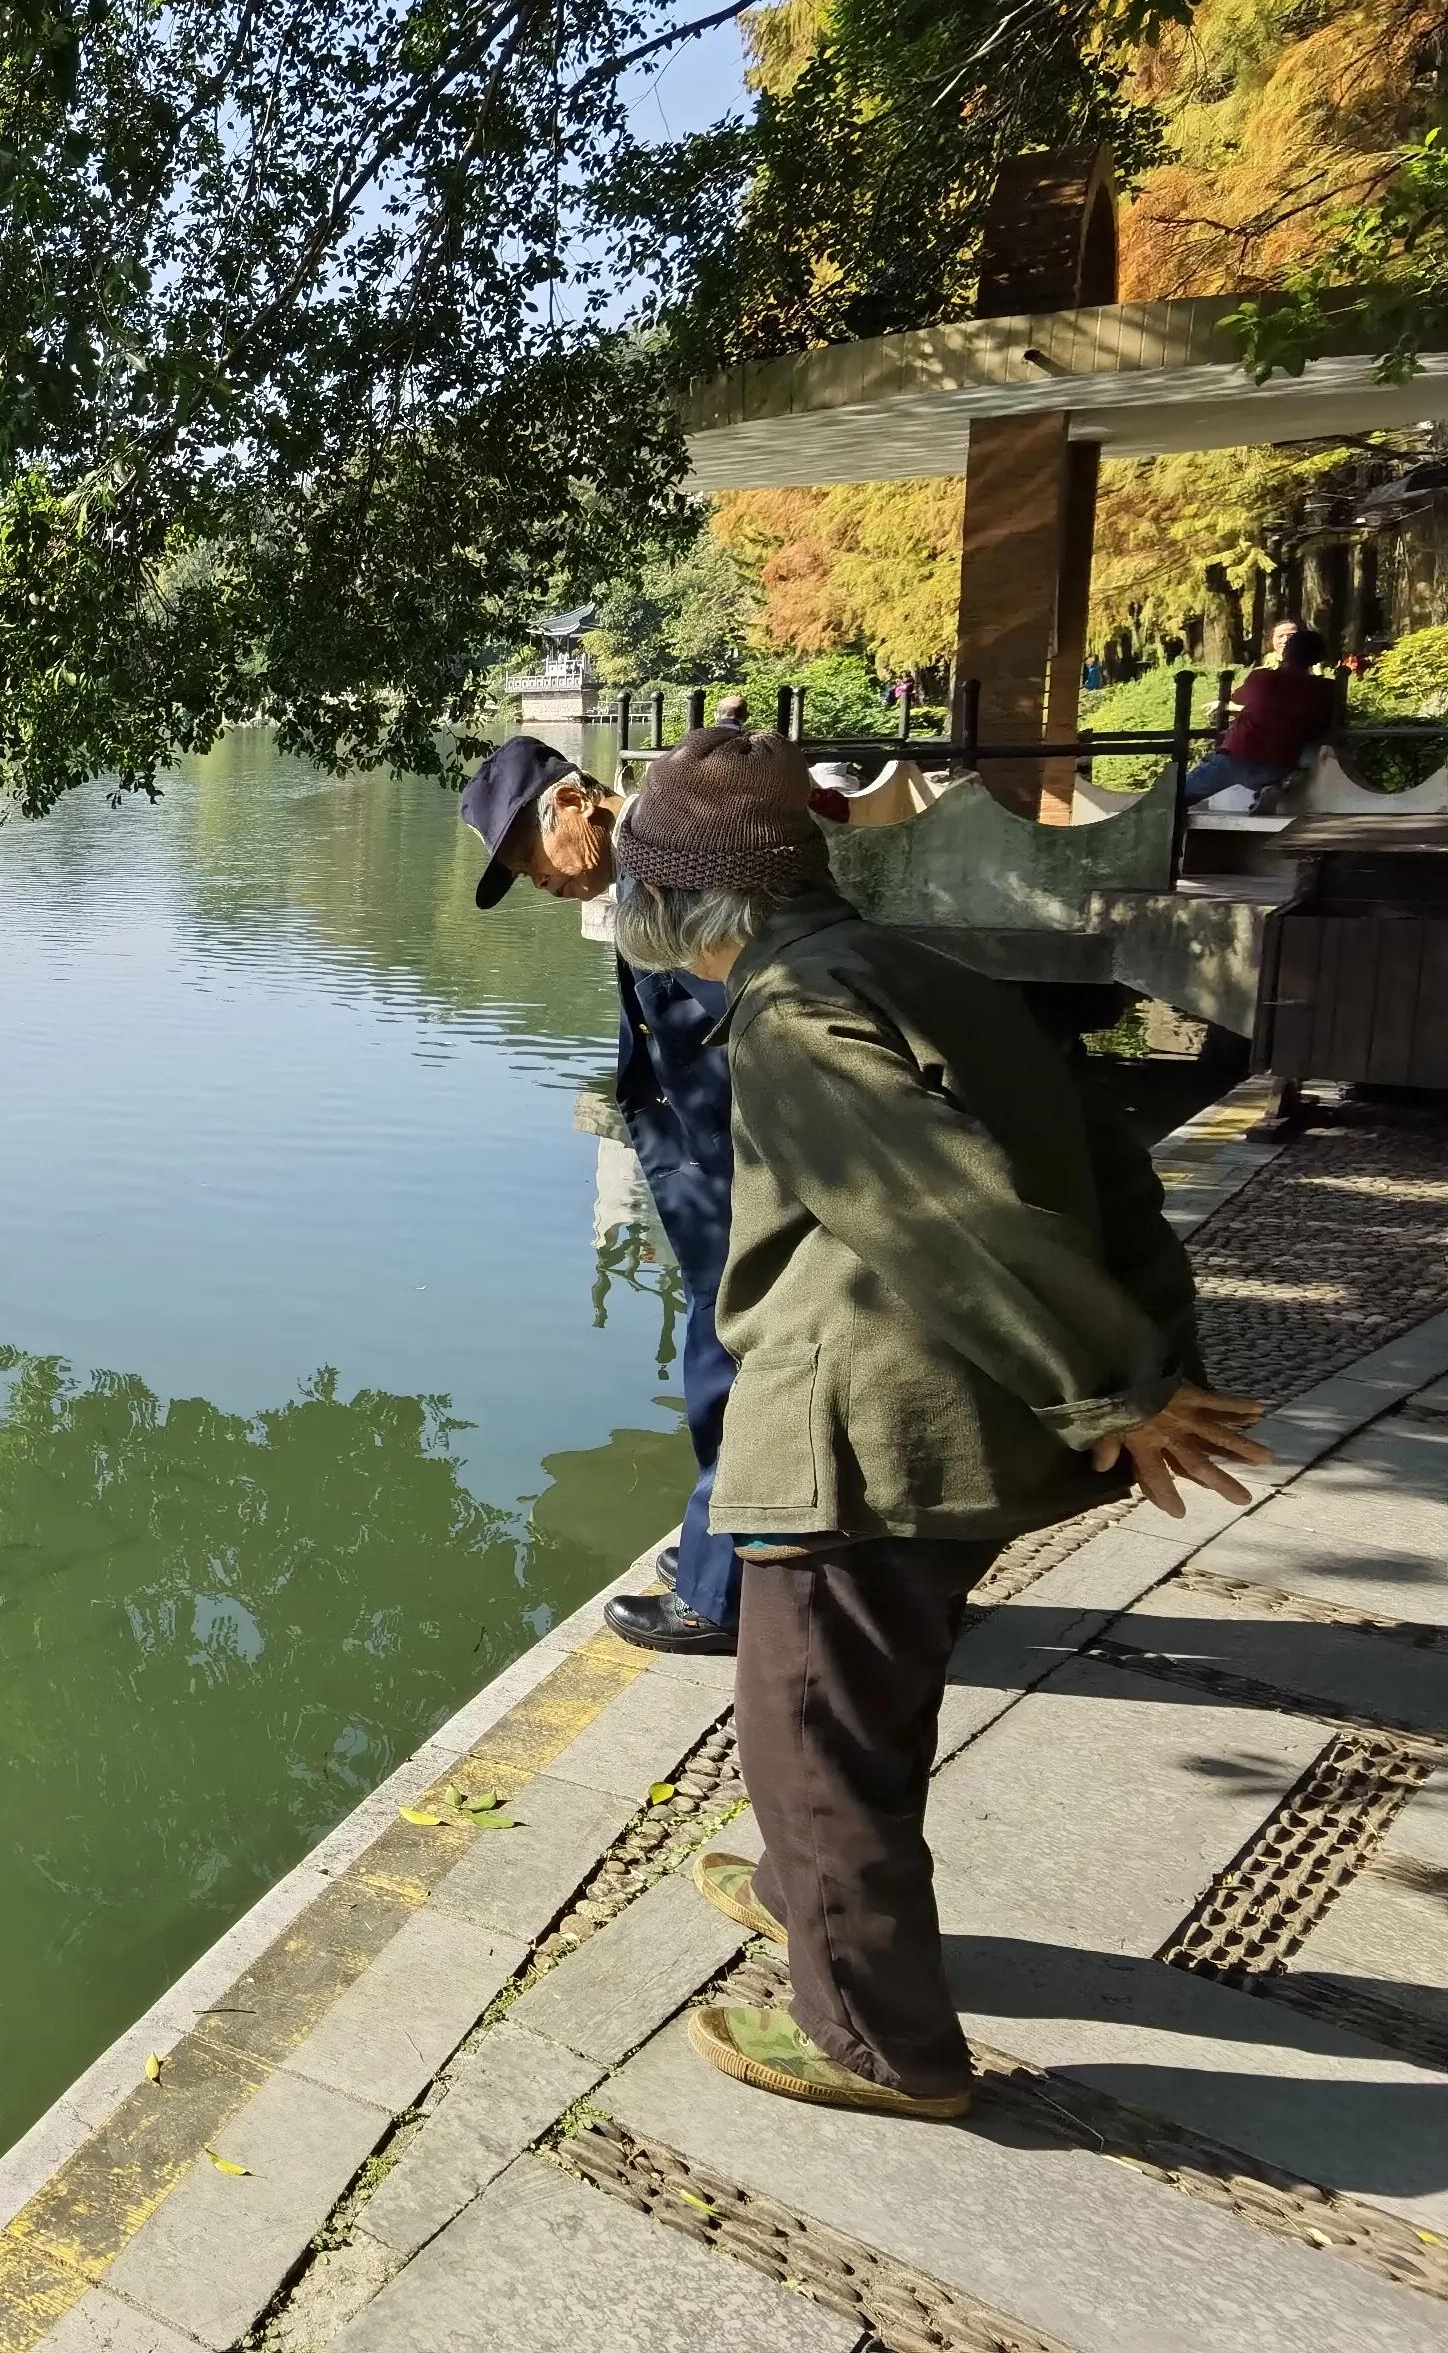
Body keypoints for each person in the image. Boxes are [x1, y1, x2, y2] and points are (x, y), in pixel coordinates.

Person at [608, 727, 1265, 2118]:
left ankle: (873, 2039)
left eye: (637, 887)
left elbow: (936, 1212)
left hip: (863, 1436)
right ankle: (802, 1890)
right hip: (953, 1431)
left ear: (684, 899)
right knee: (864, 1691)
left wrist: (1125, 1391)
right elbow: (1112, 1168)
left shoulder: (791, 1014)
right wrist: (1149, 1355)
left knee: (810, 1724)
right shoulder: (920, 969)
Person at [460, 735, 740, 1655]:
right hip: (703, 1165)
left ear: (575, 804)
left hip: (744, 1164)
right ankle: (721, 1546)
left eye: (525, 857)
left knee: (732, 1365)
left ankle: (723, 1590)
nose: (536, 883)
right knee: (722, 1350)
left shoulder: (680, 874)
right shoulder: (649, 878)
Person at [1180, 625, 1337, 813]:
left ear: (1286, 652)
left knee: (1175, 797)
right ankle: (1269, 788)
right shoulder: (1327, 689)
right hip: (1280, 763)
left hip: (1237, 755)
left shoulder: (1262, 678)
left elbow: (1237, 699)